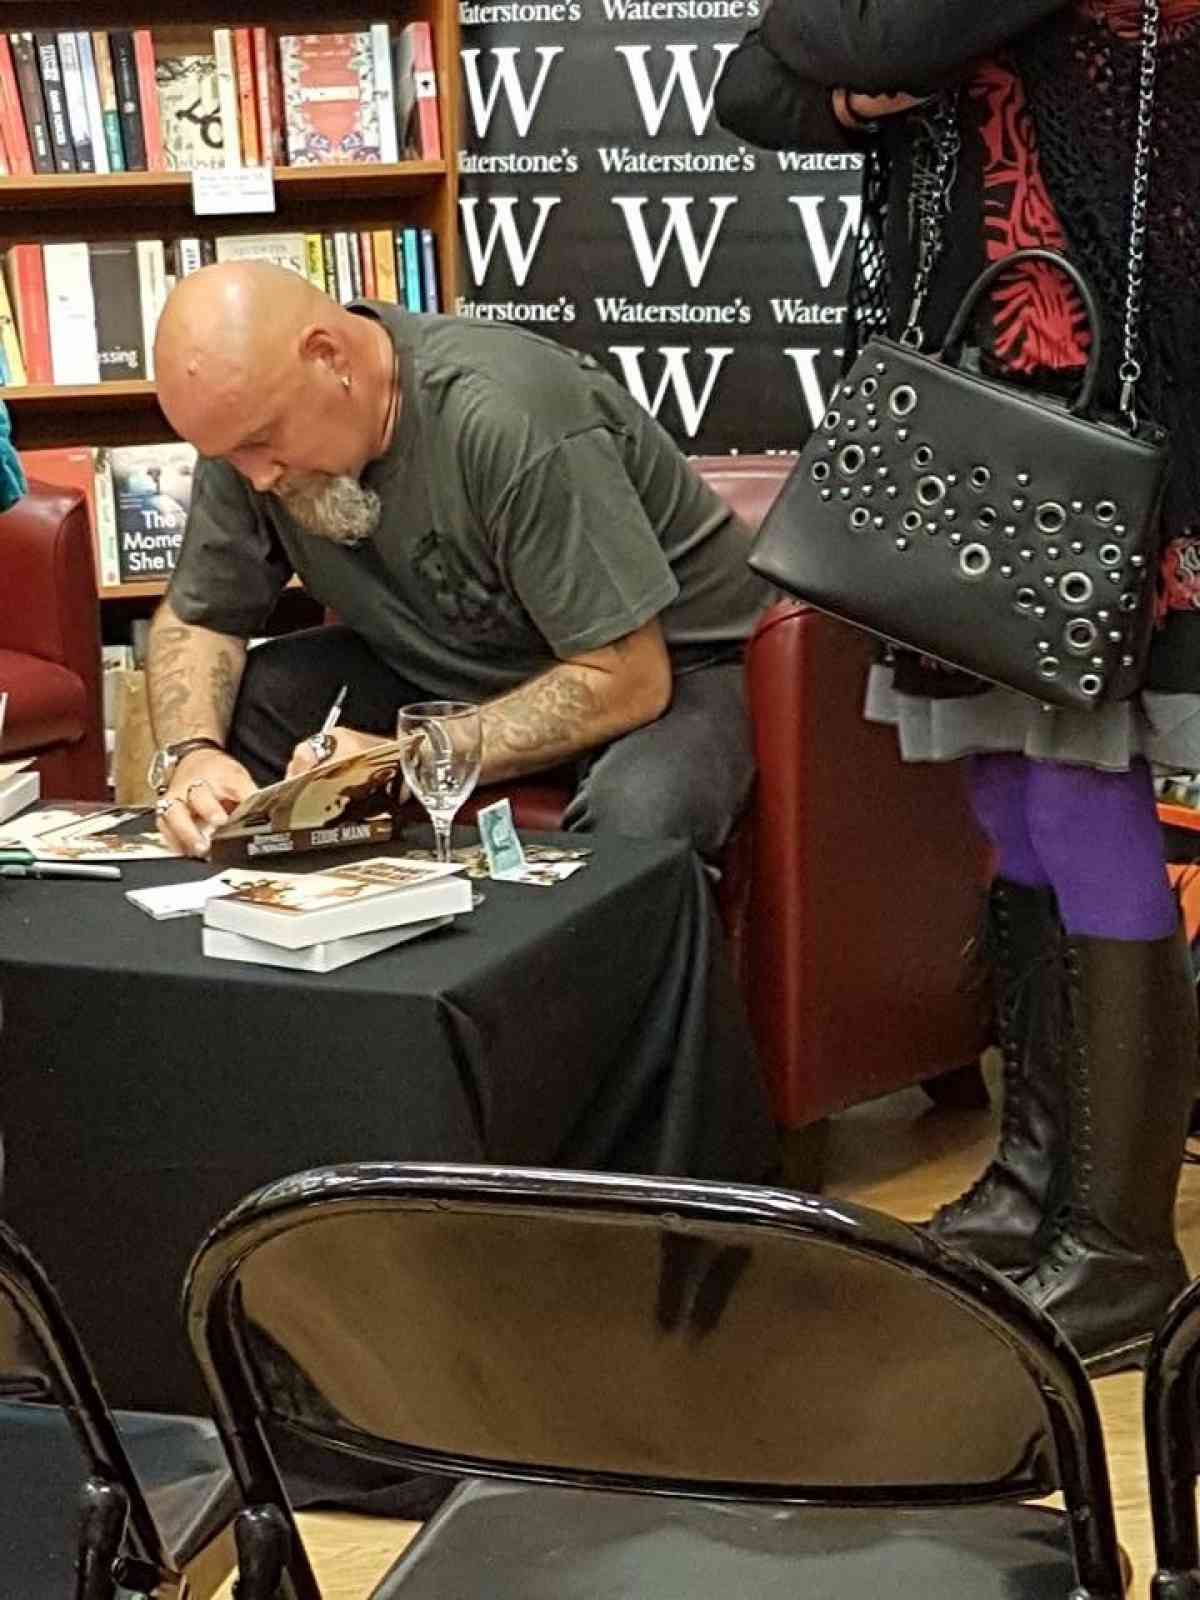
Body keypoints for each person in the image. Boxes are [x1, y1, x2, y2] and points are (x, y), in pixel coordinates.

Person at [717, 0, 1200, 1373]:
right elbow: (753, 89)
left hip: (1110, 403)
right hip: (982, 397)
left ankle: (1119, 1246)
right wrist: (860, 80)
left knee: (1076, 782)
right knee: (1010, 793)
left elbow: (858, 39)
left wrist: (867, 74)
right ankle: (1038, 1180)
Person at [145, 262, 773, 862]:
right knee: (255, 701)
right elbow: (200, 619)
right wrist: (192, 755)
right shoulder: (251, 441)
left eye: (259, 443)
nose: (256, 479)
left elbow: (627, 678)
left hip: (680, 667)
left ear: (329, 358)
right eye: (226, 456)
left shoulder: (509, 416)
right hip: (459, 667)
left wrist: (409, 755)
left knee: (640, 812)